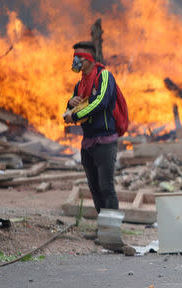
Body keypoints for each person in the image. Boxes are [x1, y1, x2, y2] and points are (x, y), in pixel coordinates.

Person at [63, 41, 119, 213]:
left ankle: (111, 233)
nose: (76, 61)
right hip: (87, 142)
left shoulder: (104, 77)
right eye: (74, 57)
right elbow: (71, 110)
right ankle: (102, 227)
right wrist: (69, 105)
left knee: (106, 187)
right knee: (94, 187)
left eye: (79, 57)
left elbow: (100, 102)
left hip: (104, 142)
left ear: (89, 59)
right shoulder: (80, 85)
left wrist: (75, 115)